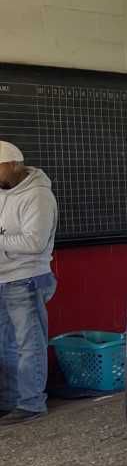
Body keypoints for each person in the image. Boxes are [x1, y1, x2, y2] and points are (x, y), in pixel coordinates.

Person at [0, 140, 57, 427]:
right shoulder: (3, 192)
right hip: (4, 278)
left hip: (27, 279)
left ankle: (31, 402)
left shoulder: (38, 195)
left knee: (28, 343)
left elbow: (34, 242)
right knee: (6, 343)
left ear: (13, 165)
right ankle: (12, 402)